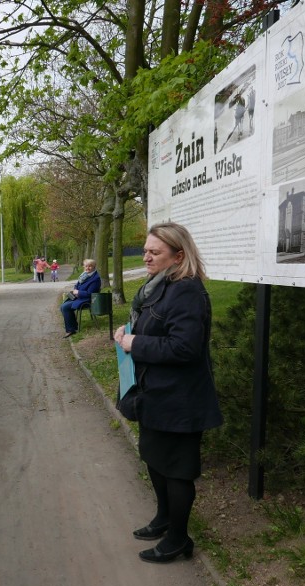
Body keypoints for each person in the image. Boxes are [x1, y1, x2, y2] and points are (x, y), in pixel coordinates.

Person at [114, 222, 222, 564]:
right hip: (155, 395)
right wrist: (128, 332)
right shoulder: (158, 285)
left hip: (180, 400)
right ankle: (164, 519)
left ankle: (178, 538)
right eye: (145, 250)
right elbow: (156, 328)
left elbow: (184, 348)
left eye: (154, 252)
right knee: (156, 461)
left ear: (178, 255)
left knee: (176, 470)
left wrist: (137, 343)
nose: (146, 256)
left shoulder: (186, 290)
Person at [59, 259, 101, 338]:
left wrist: (78, 292)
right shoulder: (84, 275)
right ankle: (72, 325)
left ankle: (71, 329)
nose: (87, 268)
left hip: (87, 300)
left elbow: (90, 294)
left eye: (90, 266)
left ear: (94, 267)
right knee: (63, 306)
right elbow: (77, 285)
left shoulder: (95, 278)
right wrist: (75, 291)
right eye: (86, 266)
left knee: (65, 307)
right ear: (84, 267)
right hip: (79, 297)